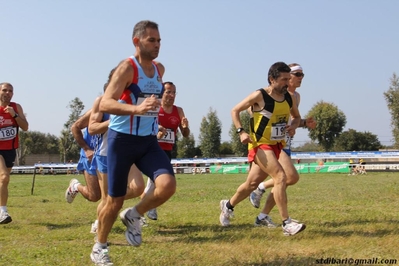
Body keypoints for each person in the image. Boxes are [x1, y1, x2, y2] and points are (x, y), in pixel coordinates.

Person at [92, 20, 176, 265]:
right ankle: (100, 246)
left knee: (167, 185)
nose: (157, 45)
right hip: (122, 141)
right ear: (136, 41)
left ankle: (134, 214)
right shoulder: (127, 68)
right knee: (113, 200)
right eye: (152, 40)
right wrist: (136, 109)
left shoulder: (159, 69)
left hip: (148, 141)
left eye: (159, 40)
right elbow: (106, 103)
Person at [219, 62, 306, 236]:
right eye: (283, 80)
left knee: (251, 184)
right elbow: (235, 110)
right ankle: (286, 223)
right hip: (259, 145)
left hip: (276, 146)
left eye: (289, 79)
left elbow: (296, 117)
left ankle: (227, 206)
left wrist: (294, 126)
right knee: (281, 177)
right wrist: (241, 132)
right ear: (271, 79)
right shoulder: (260, 95)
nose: (287, 83)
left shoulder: (288, 98)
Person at [249, 63, 316, 228]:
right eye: (297, 74)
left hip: (283, 142)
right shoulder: (269, 94)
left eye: (302, 74)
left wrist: (304, 123)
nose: (301, 78)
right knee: (286, 177)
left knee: (282, 181)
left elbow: (293, 120)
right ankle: (259, 192)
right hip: (267, 143)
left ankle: (261, 215)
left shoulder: (295, 97)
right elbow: (252, 111)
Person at [88, 69, 145, 234]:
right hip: (106, 154)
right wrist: (114, 121)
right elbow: (92, 128)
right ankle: (99, 224)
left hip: (128, 151)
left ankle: (120, 208)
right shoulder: (101, 101)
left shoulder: (133, 99)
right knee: (107, 200)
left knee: (138, 187)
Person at [141, 81, 190, 221]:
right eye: (168, 91)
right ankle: (143, 212)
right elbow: (144, 129)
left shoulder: (178, 111)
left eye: (174, 92)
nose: (171, 95)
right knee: (156, 182)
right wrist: (157, 133)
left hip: (167, 151)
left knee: (156, 183)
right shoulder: (155, 108)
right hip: (151, 149)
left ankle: (143, 211)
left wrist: (185, 127)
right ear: (161, 93)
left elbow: (185, 134)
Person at [0, 82, 29, 224]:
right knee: (4, 177)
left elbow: (25, 127)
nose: (7, 93)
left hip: (10, 150)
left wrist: (15, 115)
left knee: (3, 182)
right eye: (4, 90)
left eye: (10, 91)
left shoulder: (16, 107)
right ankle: (3, 213)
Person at [65, 110, 101, 205]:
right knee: (94, 196)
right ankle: (76, 186)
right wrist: (86, 149)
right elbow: (75, 127)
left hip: (107, 156)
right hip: (90, 157)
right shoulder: (96, 110)